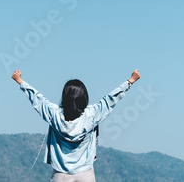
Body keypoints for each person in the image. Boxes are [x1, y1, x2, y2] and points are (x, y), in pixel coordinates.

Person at [11, 69, 141, 182]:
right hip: (85, 172)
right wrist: (130, 81)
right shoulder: (92, 114)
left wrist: (20, 81)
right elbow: (110, 99)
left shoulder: (54, 114)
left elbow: (37, 99)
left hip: (60, 173)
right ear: (84, 97)